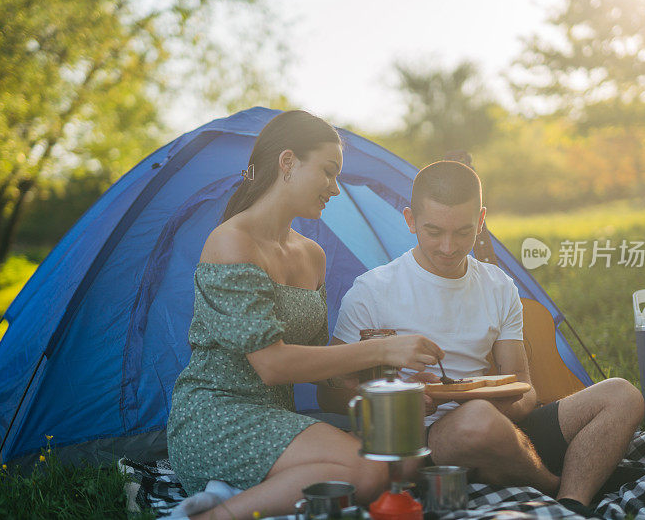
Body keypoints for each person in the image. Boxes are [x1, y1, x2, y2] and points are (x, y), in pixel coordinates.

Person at [325, 160, 645, 516]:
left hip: (503, 425)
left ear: (480, 221)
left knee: (622, 394)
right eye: (434, 231)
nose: (448, 247)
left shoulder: (497, 285)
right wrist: (400, 404)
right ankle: (556, 485)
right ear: (410, 219)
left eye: (462, 232)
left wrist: (490, 403)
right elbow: (331, 390)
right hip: (427, 441)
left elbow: (525, 388)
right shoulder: (373, 290)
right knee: (477, 422)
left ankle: (573, 502)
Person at [166, 110, 444, 520]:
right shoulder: (230, 243)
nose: (335, 188)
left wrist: (394, 396)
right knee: (369, 472)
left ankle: (238, 496)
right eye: (328, 172)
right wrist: (385, 348)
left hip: (274, 420)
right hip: (216, 418)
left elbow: (319, 368)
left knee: (401, 460)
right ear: (288, 162)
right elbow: (274, 365)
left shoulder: (311, 255)